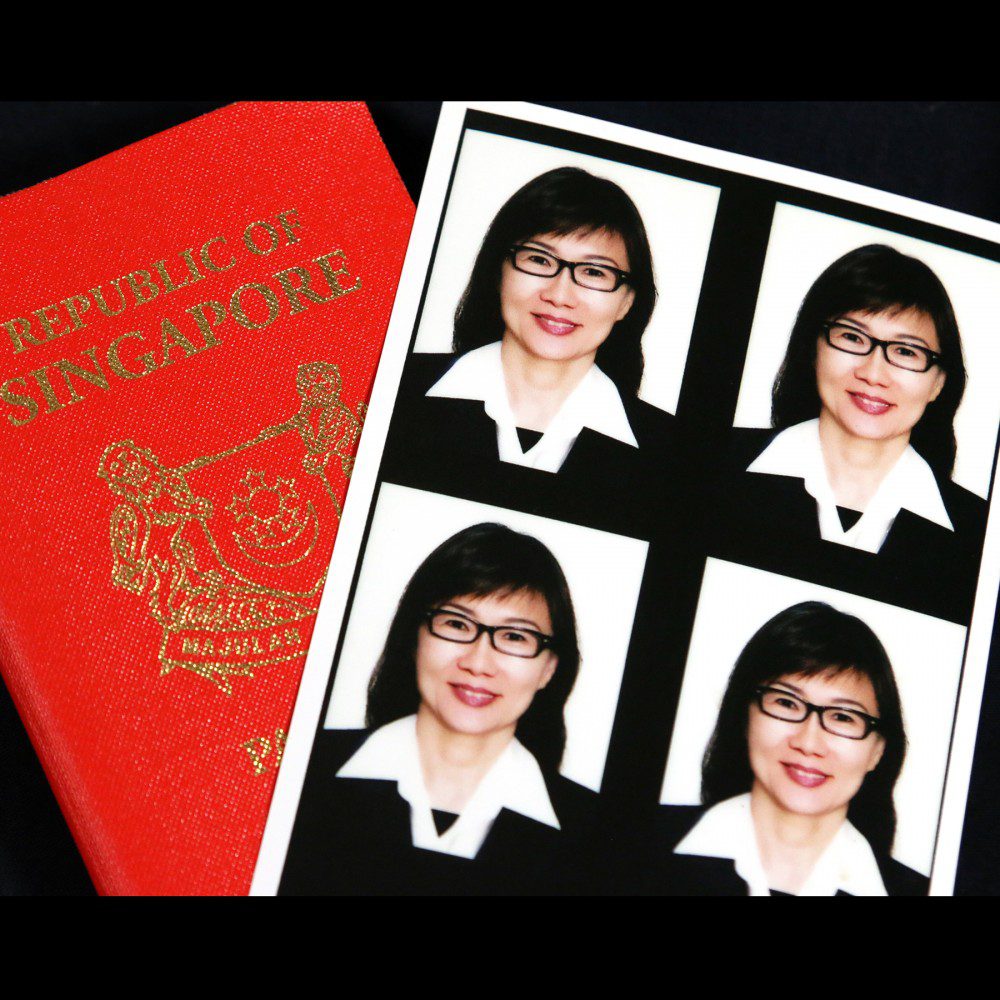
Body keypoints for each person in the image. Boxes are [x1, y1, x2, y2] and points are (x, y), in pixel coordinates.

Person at [279, 522, 597, 894]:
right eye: (457, 624)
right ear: (415, 637)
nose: (479, 663)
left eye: (514, 636)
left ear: (549, 668)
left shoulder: (596, 832)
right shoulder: (299, 765)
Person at [718, 245, 986, 620]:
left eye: (907, 352)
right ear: (813, 348)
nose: (873, 373)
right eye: (852, 338)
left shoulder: (983, 536)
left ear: (939, 382)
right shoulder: (713, 462)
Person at [385, 167, 674, 511]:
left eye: (594, 272)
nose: (560, 294)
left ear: (627, 301)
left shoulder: (671, 451)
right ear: (498, 271)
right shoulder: (394, 385)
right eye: (539, 259)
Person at [647, 602, 927, 896]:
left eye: (843, 717)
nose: (808, 743)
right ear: (745, 715)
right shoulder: (637, 838)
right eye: (786, 703)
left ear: (878, 751)